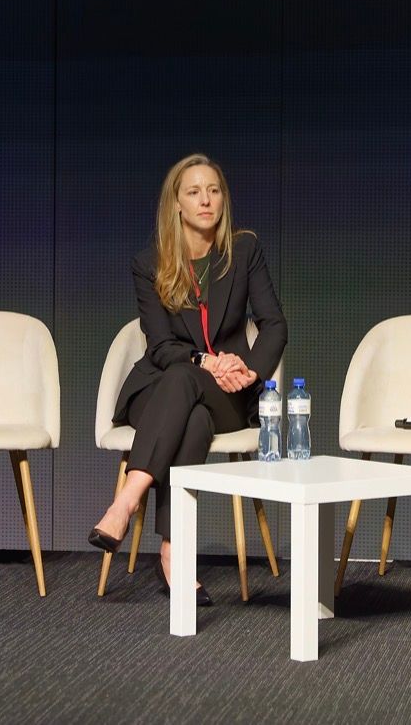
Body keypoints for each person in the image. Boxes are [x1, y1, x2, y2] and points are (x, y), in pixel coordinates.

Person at [89, 153, 287, 604]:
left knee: (192, 396)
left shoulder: (244, 251)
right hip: (158, 389)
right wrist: (207, 360)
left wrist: (249, 369)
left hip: (228, 392)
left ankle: (126, 500)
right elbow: (160, 345)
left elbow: (274, 323)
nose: (206, 200)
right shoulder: (149, 263)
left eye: (213, 190)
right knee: (187, 404)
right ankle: (174, 550)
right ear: (176, 203)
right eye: (194, 192)